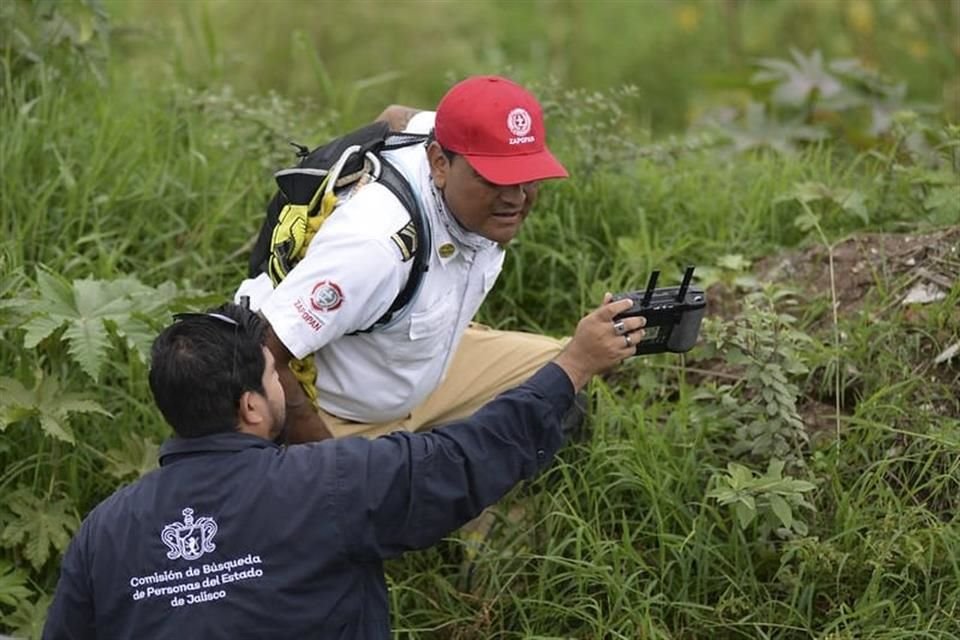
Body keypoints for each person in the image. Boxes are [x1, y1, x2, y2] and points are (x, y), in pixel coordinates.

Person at [42, 298, 646, 639]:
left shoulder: (105, 530)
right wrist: (573, 364)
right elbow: (464, 459)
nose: (284, 383)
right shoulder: (328, 483)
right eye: (273, 374)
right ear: (251, 406)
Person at [234, 75, 573, 442]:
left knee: (567, 371)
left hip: (425, 375)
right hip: (343, 414)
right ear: (439, 163)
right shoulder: (373, 243)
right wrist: (330, 464)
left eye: (529, 177)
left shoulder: (447, 138)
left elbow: (397, 116)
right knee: (355, 495)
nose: (516, 198)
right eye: (495, 179)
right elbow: (261, 345)